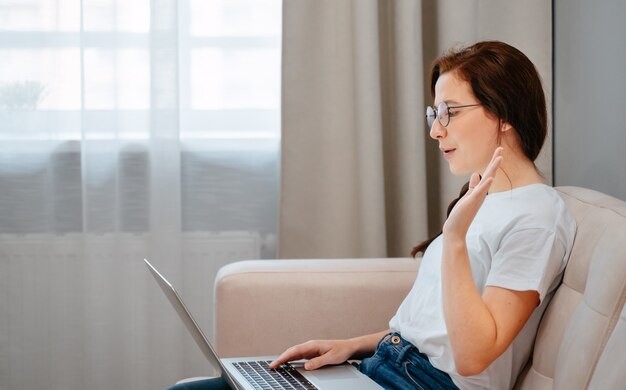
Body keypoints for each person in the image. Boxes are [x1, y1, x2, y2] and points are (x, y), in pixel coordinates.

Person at [169, 40, 576, 390]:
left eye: (450, 111)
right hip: (387, 365)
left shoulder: (537, 214)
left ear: (502, 114)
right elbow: (435, 331)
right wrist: (350, 344)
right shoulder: (482, 198)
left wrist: (452, 239)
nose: (436, 131)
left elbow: (472, 358)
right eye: (435, 114)